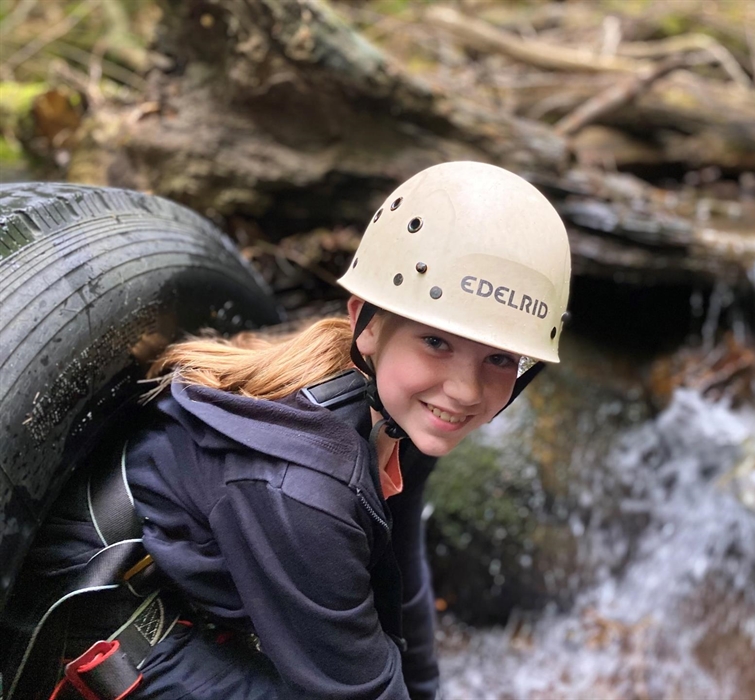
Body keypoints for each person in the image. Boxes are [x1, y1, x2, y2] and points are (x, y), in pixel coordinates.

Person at [2, 161, 571, 699]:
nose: (466, 390)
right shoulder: (303, 488)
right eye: (437, 341)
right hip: (102, 629)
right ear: (366, 325)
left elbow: (402, 581)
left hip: (185, 581)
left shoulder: (404, 411)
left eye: (500, 359)